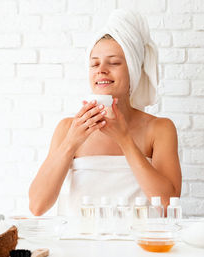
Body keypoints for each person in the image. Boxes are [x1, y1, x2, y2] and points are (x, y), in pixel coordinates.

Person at [29, 9, 182, 216]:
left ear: (133, 70)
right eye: (94, 63)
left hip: (139, 246)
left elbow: (167, 204)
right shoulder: (67, 128)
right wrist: (71, 142)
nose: (101, 69)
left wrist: (125, 140)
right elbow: (37, 206)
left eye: (114, 62)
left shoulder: (159, 129)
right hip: (79, 246)